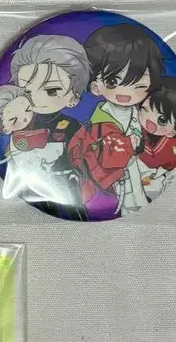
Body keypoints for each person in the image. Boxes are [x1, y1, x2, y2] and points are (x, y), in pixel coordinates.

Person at [68, 23, 164, 215]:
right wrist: (129, 143)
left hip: (135, 168)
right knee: (124, 200)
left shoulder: (141, 111)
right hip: (111, 175)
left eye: (138, 84)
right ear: (95, 87)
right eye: (113, 82)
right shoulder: (99, 121)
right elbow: (106, 153)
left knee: (138, 195)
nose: (124, 92)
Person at [136, 76, 176, 201]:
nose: (149, 120)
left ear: (172, 131)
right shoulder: (133, 128)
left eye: (162, 120)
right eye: (144, 109)